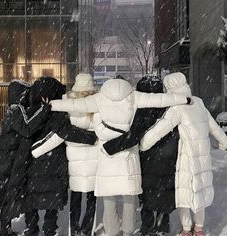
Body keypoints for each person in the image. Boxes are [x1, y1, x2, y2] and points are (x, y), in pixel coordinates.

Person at [49, 78, 191, 236]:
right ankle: (128, 230)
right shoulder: (134, 96)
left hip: (107, 158)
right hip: (128, 156)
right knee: (129, 199)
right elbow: (160, 99)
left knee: (109, 199)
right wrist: (184, 99)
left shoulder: (99, 99)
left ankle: (112, 231)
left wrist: (52, 104)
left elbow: (74, 104)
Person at [140, 72, 227, 236]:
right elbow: (213, 126)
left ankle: (186, 230)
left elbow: (161, 129)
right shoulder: (198, 102)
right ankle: (199, 228)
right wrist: (224, 141)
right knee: (199, 191)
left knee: (184, 194)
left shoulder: (177, 107)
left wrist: (143, 143)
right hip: (202, 156)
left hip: (186, 157)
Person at [102, 76, 179, 236]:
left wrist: (110, 147)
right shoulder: (170, 107)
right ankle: (162, 225)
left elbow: (133, 136)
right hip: (168, 158)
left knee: (148, 194)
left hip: (147, 159)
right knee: (165, 191)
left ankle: (148, 226)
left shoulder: (141, 111)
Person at [25, 76, 97, 236]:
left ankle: (31, 229)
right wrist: (92, 137)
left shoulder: (30, 112)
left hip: (32, 164)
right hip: (54, 162)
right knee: (51, 199)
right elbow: (67, 132)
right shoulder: (57, 114)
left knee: (32, 199)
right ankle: (49, 229)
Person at [0, 80, 51, 236]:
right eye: (26, 93)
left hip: (6, 160)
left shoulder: (12, 109)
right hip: (10, 162)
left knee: (8, 195)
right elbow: (27, 129)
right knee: (11, 194)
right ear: (20, 95)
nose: (28, 97)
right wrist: (44, 111)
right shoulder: (17, 109)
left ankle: (6, 229)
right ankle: (6, 230)